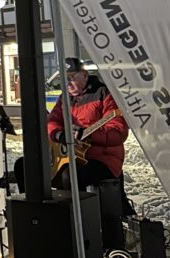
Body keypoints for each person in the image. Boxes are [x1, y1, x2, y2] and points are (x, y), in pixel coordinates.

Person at [14, 58, 130, 196]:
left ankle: (79, 216)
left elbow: (118, 131)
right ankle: (35, 211)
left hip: (102, 158)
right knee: (24, 166)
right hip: (69, 156)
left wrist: (90, 135)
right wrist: (59, 135)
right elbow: (52, 121)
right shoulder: (65, 98)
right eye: (64, 78)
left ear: (85, 75)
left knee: (70, 176)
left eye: (72, 77)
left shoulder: (104, 94)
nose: (67, 82)